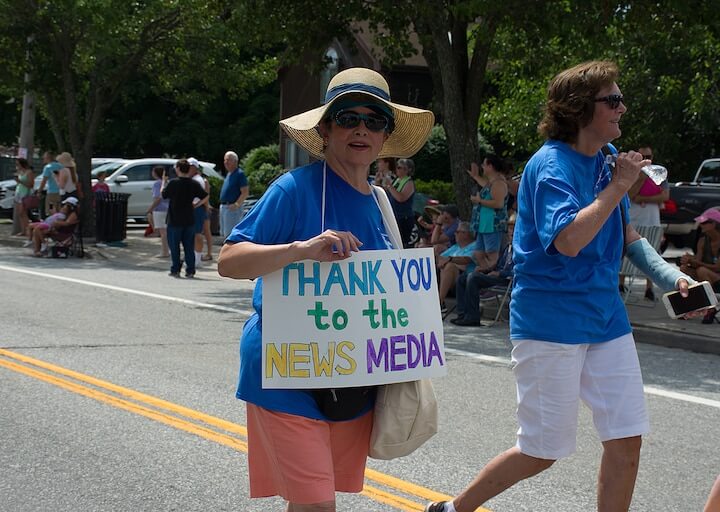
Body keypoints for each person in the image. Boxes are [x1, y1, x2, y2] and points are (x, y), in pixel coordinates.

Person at [425, 60, 695, 512]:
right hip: (550, 323)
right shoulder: (551, 165)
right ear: (578, 108)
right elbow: (569, 239)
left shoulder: (607, 162)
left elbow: (629, 240)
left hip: (605, 319)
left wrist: (674, 278)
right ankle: (453, 509)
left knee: (627, 439)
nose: (622, 108)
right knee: (542, 450)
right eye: (612, 100)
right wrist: (619, 187)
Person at [217, 67, 433, 511]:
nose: (361, 129)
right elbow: (229, 261)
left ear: (385, 135)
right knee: (317, 504)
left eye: (374, 120)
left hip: (353, 379)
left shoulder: (380, 203)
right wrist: (300, 249)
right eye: (347, 117)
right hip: (285, 371)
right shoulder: (294, 190)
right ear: (325, 128)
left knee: (311, 502)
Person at [619, 145, 668, 300]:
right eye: (644, 156)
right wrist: (642, 178)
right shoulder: (632, 172)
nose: (648, 159)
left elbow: (665, 196)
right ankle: (621, 284)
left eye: (649, 156)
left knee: (652, 252)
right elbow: (630, 194)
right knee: (627, 253)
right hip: (633, 219)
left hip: (652, 220)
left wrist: (643, 199)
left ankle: (649, 288)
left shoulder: (659, 172)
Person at [451, 213, 516, 327]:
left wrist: (500, 273)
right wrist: (485, 269)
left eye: (514, 228)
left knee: (473, 278)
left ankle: (473, 317)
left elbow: (517, 270)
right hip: (498, 276)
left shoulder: (521, 249)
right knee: (464, 278)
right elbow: (498, 265)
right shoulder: (508, 247)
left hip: (507, 280)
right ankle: (462, 314)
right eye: (510, 228)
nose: (511, 232)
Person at [162, 159, 208, 278]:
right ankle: (190, 270)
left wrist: (163, 182)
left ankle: (175, 269)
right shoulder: (193, 183)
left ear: (178, 169)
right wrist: (196, 204)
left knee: (174, 245)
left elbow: (163, 194)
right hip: (189, 218)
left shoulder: (173, 183)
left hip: (174, 219)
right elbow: (205, 195)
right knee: (188, 246)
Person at [467, 154, 508, 271]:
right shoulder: (492, 182)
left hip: (492, 225)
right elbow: (484, 184)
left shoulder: (499, 183)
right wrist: (475, 176)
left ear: (490, 166)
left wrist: (479, 201)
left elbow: (498, 203)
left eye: (484, 165)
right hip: (484, 225)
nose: (482, 167)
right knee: (478, 253)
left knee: (492, 254)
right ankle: (486, 272)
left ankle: (492, 276)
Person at [679, 207, 720, 323]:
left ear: (714, 224)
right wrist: (689, 260)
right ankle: (686, 307)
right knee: (684, 269)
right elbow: (698, 260)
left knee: (702, 270)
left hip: (717, 276)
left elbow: (718, 267)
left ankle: (711, 308)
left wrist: (696, 262)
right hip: (706, 274)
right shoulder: (703, 240)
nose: (701, 225)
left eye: (704, 222)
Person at [436, 221, 476, 314]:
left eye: (457, 232)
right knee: (437, 260)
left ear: (466, 234)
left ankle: (439, 302)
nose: (455, 234)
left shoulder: (474, 246)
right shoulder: (455, 247)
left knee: (449, 266)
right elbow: (440, 258)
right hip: (446, 277)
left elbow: (465, 263)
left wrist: (450, 260)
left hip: (464, 280)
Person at [381, 157, 416, 247]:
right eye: (397, 167)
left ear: (407, 170)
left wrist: (389, 185)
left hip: (404, 217)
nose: (397, 169)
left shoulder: (409, 182)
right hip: (395, 216)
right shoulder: (397, 180)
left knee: (402, 242)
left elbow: (401, 198)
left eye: (400, 167)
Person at [219, 151, 249, 239]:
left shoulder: (239, 174)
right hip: (224, 207)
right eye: (225, 160)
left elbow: (245, 192)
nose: (226, 162)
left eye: (228, 160)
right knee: (224, 233)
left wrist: (236, 205)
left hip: (232, 208)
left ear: (235, 161)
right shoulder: (229, 174)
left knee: (231, 235)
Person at [188, 157, 213, 263]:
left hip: (197, 209)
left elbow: (205, 196)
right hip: (200, 208)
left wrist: (198, 205)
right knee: (200, 232)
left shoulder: (197, 180)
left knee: (198, 233)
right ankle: (198, 255)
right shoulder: (197, 179)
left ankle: (198, 258)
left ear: (194, 167)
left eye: (189, 167)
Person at [146, 166, 170, 258]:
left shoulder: (157, 184)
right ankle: (168, 249)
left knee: (162, 232)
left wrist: (151, 208)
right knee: (167, 231)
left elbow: (158, 198)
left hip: (159, 209)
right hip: (168, 208)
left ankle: (164, 251)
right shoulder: (167, 183)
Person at [13, 158, 35, 237]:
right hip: (18, 192)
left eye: (18, 164)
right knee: (20, 213)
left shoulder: (29, 172)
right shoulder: (20, 172)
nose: (17, 166)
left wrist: (20, 181)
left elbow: (31, 185)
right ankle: (23, 230)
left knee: (23, 212)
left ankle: (28, 230)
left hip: (25, 194)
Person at [38, 151, 62, 216]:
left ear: (48, 158)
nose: (43, 159)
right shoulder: (61, 166)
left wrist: (39, 191)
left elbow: (44, 180)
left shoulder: (48, 167)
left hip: (51, 191)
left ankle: (52, 225)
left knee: (50, 210)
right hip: (61, 191)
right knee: (59, 210)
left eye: (44, 157)